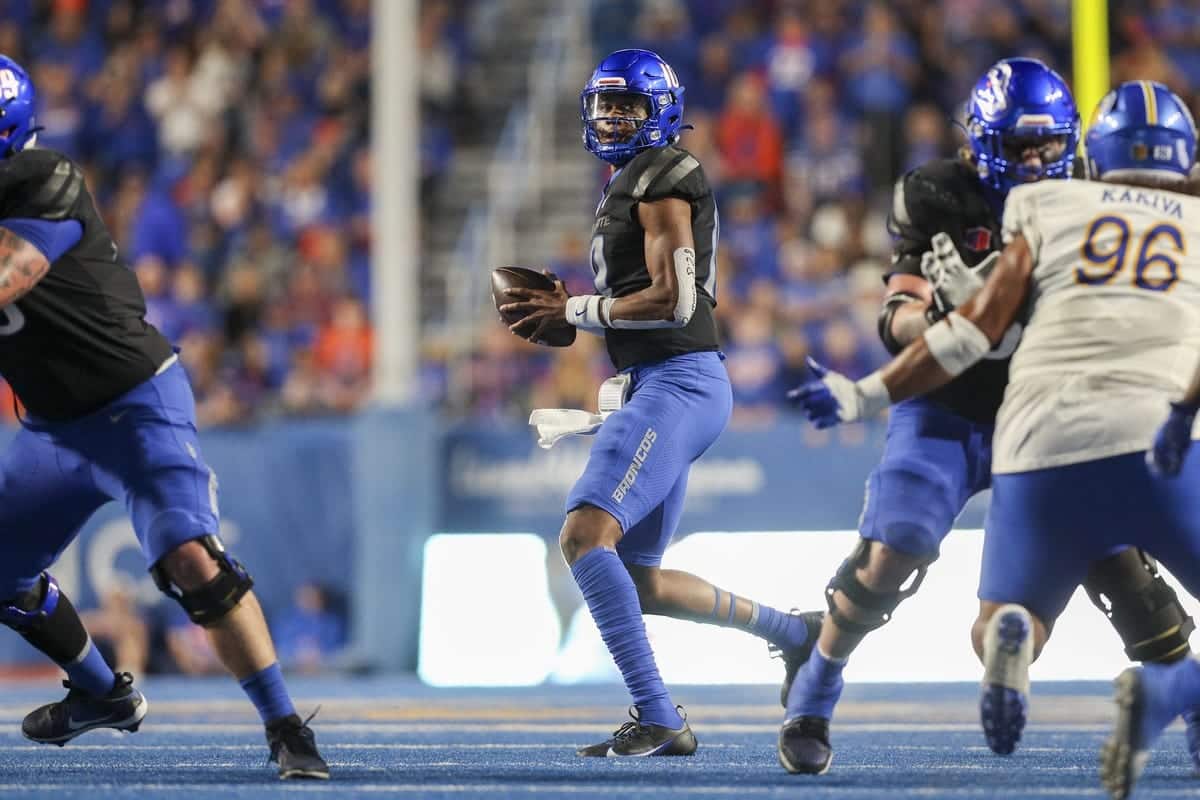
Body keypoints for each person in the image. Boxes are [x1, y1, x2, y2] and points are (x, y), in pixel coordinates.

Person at [777, 58, 1198, 776]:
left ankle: (1183, 708)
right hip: (950, 409)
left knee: (1127, 577)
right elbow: (898, 313)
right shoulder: (940, 194)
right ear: (978, 144)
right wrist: (934, 314)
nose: (1035, 164)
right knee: (894, 548)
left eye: (1046, 147)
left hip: (1046, 407)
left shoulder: (1083, 199)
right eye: (1018, 148)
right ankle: (816, 686)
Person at [0, 55, 328, 779]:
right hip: (53, 428)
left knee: (190, 558)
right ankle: (101, 696)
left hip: (133, 406)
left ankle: (285, 727)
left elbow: (7, 277)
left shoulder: (41, 179)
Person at [498, 48, 819, 757]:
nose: (614, 117)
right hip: (663, 381)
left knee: (584, 536)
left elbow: (673, 302)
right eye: (606, 104)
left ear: (661, 112)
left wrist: (576, 309)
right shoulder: (629, 180)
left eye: (629, 106)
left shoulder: (662, 175)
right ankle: (797, 634)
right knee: (634, 579)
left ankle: (659, 717)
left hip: (682, 377)